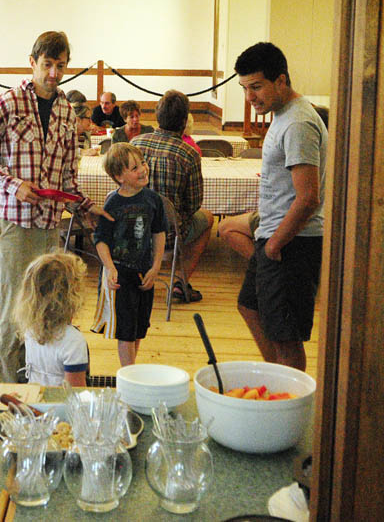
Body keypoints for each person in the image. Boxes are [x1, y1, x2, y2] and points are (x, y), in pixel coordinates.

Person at [0, 30, 112, 382]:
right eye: (47, 64)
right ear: (32, 62)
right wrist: (13, 184)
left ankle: (32, 384)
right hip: (13, 223)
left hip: (49, 226)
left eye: (60, 65)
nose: (53, 72)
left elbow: (67, 175)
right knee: (9, 312)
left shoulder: (66, 111)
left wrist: (84, 207)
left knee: (41, 312)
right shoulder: (8, 102)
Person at [234, 42, 327, 370]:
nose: (250, 97)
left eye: (256, 87)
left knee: (286, 337)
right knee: (250, 306)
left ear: (282, 80)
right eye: (245, 88)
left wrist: (274, 244)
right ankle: (278, 380)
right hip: (275, 237)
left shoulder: (298, 123)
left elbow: (308, 198)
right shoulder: (284, 116)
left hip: (292, 244)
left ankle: (291, 407)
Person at [217, 104, 329, 262]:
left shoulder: (302, 145)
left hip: (287, 219)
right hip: (308, 221)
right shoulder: (331, 156)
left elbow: (306, 199)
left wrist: (271, 248)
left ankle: (263, 263)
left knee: (226, 227)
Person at [131, 90, 213, 302]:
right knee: (207, 218)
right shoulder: (189, 154)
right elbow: (194, 204)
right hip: (168, 235)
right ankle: (180, 282)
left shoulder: (135, 145)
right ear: (184, 121)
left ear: (157, 116)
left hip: (131, 229)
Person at [92, 143, 167, 366]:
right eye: (134, 168)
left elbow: (158, 233)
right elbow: (101, 240)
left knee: (139, 329)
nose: (143, 169)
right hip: (121, 274)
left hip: (144, 272)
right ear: (119, 176)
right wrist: (110, 268)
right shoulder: (113, 202)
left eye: (142, 163)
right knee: (125, 331)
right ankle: (129, 373)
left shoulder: (154, 200)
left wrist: (155, 267)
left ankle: (131, 369)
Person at [13, 252, 89, 387]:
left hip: (33, 400)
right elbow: (75, 393)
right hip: (60, 405)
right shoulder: (73, 340)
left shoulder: (30, 329)